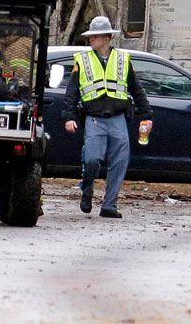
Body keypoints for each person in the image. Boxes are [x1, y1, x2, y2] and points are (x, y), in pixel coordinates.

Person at [62, 16, 153, 219]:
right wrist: (68, 116)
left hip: (118, 118)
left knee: (119, 163)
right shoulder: (83, 60)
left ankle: (109, 205)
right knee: (93, 159)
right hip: (94, 119)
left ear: (106, 38)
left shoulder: (123, 60)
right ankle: (87, 189)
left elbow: (136, 89)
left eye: (94, 37)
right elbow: (72, 92)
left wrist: (146, 114)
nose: (90, 40)